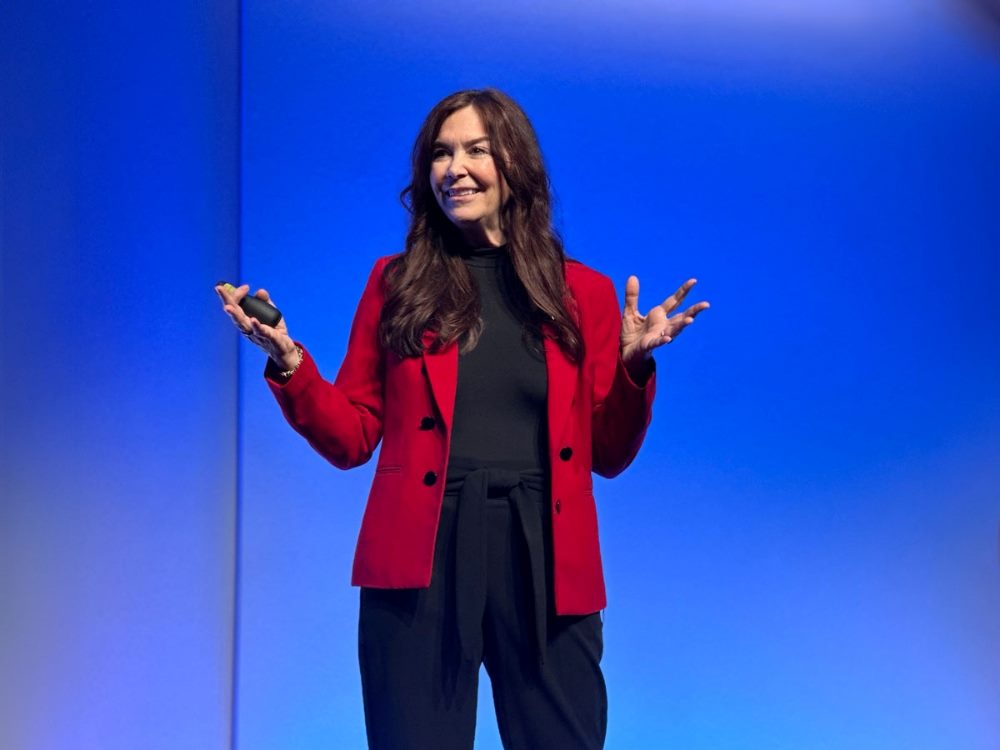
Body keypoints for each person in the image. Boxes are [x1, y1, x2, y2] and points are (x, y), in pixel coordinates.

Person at [216, 88, 709, 750]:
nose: (456, 168)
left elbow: (610, 454)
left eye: (477, 149)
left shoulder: (584, 292)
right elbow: (354, 435)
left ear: (516, 167)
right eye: (441, 153)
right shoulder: (396, 284)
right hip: (421, 553)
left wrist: (635, 367)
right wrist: (289, 361)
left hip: (546, 556)